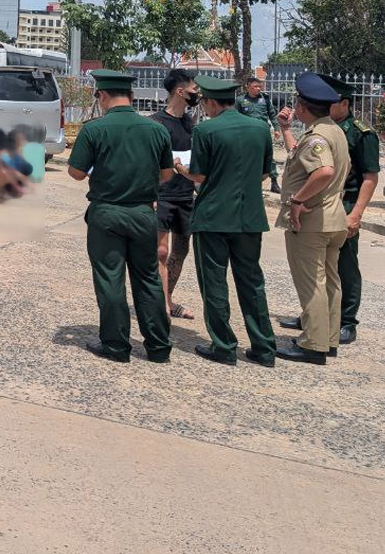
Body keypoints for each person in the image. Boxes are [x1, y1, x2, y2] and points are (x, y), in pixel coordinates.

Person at [66, 70, 174, 364]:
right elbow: (166, 174)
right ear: (132, 96)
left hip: (107, 214)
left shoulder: (94, 129)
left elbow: (75, 173)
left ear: (101, 95)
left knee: (110, 279)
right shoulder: (156, 129)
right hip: (143, 213)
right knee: (148, 278)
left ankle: (116, 345)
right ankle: (159, 346)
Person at [178, 76, 278, 367]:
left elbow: (200, 175)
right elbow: (264, 173)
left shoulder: (206, 130)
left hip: (213, 217)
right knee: (252, 283)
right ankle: (263, 348)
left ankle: (223, 346)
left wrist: (180, 169)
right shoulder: (260, 129)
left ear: (210, 102)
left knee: (214, 282)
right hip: (249, 217)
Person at [289, 75, 379, 346]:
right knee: (322, 272)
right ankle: (317, 320)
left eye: (333, 102)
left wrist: (357, 214)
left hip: (345, 201)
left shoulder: (360, 133)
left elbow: (369, 176)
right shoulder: (329, 129)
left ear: (344, 103)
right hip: (330, 199)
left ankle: (346, 321)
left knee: (344, 267)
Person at [271, 73, 350, 365]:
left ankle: (313, 345)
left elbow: (323, 171)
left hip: (313, 220)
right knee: (330, 281)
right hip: (333, 218)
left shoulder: (316, 136)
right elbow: (304, 157)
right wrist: (286, 129)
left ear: (302, 107)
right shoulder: (333, 131)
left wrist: (298, 200)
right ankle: (327, 339)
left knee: (312, 283)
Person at [150, 68, 199, 320]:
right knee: (160, 251)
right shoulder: (156, 123)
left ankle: (167, 298)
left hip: (185, 196)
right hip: (162, 195)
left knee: (181, 251)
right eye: (193, 89)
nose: (197, 94)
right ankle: (161, 305)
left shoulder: (191, 124)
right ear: (180, 91)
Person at [236, 75, 281, 194]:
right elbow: (235, 118)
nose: (259, 89)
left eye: (259, 86)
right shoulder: (240, 100)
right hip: (247, 135)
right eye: (255, 86)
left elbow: (272, 114)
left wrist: (276, 128)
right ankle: (247, 183)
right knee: (247, 158)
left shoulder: (265, 99)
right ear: (248, 87)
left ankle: (274, 182)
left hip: (263, 133)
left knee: (269, 157)